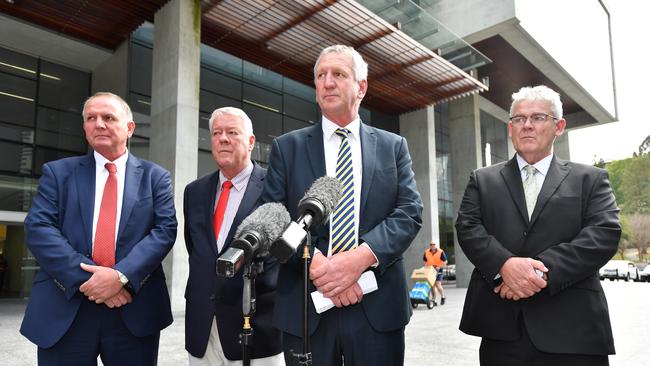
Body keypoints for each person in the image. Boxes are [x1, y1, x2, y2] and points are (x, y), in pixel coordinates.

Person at [262, 44, 423, 365]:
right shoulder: (287, 147)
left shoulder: (393, 146)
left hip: (377, 308)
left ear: (361, 87)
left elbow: (409, 212)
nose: (327, 82)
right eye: (320, 75)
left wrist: (358, 260)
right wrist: (318, 265)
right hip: (307, 310)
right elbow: (274, 217)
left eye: (338, 74)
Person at [455, 85, 621, 366]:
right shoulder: (482, 180)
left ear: (559, 126)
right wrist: (504, 265)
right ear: (510, 128)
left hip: (574, 330)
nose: (527, 126)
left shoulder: (590, 179)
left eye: (538, 117)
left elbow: (602, 235)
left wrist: (538, 272)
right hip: (503, 331)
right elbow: (468, 228)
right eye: (519, 119)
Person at [20, 92, 177, 365]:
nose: (99, 124)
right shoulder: (58, 173)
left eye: (108, 117)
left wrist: (120, 277)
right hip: (66, 307)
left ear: (129, 128)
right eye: (91, 118)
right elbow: (39, 228)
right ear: (84, 128)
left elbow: (164, 231)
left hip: (132, 307)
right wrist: (93, 282)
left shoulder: (155, 177)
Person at [184, 107, 283, 365]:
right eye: (217, 133)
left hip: (257, 329)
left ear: (251, 142)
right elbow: (197, 249)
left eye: (232, 132)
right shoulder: (193, 192)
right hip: (203, 328)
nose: (223, 139)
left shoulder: (274, 186)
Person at [422, 241, 447, 305]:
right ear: (430, 245)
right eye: (431, 245)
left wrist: (439, 266)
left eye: (434, 245)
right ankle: (434, 300)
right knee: (432, 285)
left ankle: (443, 297)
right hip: (430, 270)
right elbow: (425, 261)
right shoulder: (426, 252)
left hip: (439, 270)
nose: (432, 246)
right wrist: (425, 268)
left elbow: (445, 261)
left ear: (436, 245)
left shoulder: (440, 252)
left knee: (438, 284)